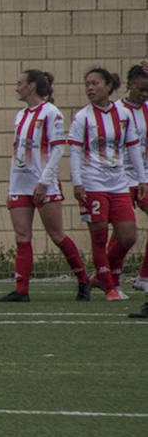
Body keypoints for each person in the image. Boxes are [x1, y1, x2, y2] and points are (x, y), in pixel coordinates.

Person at [0, 69, 90, 302]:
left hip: (43, 185)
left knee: (57, 235)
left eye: (20, 83)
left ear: (31, 86)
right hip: (19, 184)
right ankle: (21, 290)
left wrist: (44, 182)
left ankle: (84, 280)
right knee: (22, 236)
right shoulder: (20, 115)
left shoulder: (51, 113)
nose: (16, 87)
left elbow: (58, 149)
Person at [67, 66, 145, 301]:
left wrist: (142, 179)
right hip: (93, 183)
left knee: (128, 236)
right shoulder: (82, 117)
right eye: (87, 84)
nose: (90, 88)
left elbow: (132, 148)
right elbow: (74, 151)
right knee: (99, 238)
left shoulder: (123, 115)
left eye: (95, 83)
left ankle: (102, 278)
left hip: (119, 183)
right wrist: (78, 183)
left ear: (109, 86)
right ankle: (110, 287)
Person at [118, 63, 148, 297]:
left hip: (143, 178)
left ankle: (144, 277)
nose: (144, 95)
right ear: (130, 85)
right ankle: (108, 276)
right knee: (124, 234)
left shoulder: (147, 109)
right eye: (141, 90)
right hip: (119, 179)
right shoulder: (117, 110)